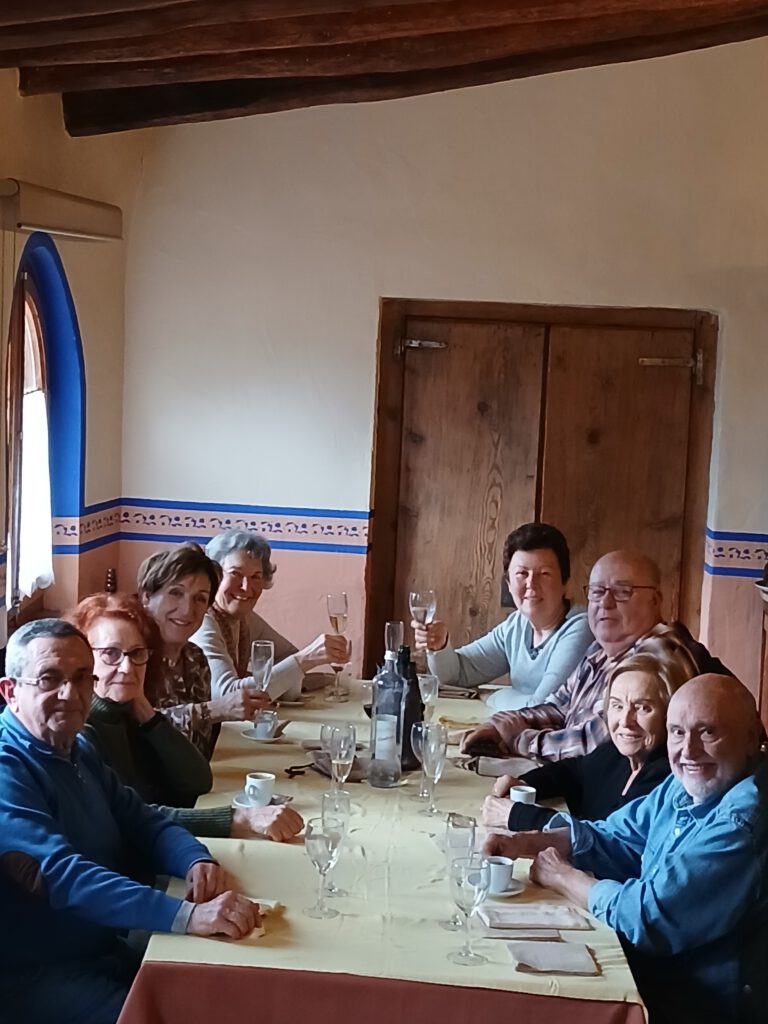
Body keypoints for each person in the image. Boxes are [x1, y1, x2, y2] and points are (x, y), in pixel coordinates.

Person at [0, 619, 260, 1024]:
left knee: (225, 989)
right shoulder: (8, 768)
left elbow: (143, 820)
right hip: (34, 975)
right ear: (10, 691)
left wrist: (194, 859)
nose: (70, 694)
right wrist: (187, 916)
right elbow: (60, 875)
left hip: (101, 948)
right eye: (49, 679)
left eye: (81, 678)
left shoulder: (78, 747)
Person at [484, 674, 768, 1024]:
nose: (688, 751)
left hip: (692, 1004)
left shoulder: (742, 822)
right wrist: (526, 842)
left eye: (708, 732)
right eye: (677, 732)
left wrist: (564, 878)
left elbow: (646, 917)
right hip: (654, 975)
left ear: (751, 738)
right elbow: (617, 836)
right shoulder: (685, 783)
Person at [67, 594, 303, 843]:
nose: (127, 668)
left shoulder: (129, 712)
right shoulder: (80, 731)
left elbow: (198, 781)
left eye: (136, 653)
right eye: (110, 653)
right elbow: (126, 816)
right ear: (82, 661)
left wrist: (147, 712)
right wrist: (238, 819)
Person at [462, 549, 728, 761]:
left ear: (655, 600)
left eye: (622, 592)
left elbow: (595, 744)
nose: (605, 603)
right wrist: (499, 726)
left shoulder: (658, 660)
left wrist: (520, 740)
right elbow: (558, 707)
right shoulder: (601, 649)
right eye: (597, 592)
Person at [482, 634, 698, 830]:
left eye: (642, 708)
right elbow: (574, 772)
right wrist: (525, 784)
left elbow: (607, 838)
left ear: (670, 715)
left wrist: (518, 816)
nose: (625, 721)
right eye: (617, 705)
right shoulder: (617, 754)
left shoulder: (669, 776)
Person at [414, 523, 593, 711]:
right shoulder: (518, 624)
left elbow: (542, 708)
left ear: (565, 583)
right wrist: (440, 646)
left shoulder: (581, 628)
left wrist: (491, 696)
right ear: (508, 584)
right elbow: (457, 675)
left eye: (544, 573)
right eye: (522, 573)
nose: (532, 583)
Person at [138, 542, 266, 758]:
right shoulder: (132, 657)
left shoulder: (195, 658)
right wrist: (215, 710)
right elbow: (135, 728)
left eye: (200, 598)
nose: (187, 610)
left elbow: (202, 744)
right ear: (147, 597)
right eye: (175, 593)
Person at [191, 530, 350, 701]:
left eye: (256, 576)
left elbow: (287, 659)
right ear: (214, 577)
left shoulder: (245, 619)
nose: (246, 587)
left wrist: (325, 678)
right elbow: (226, 695)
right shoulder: (202, 622)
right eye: (235, 573)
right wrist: (306, 659)